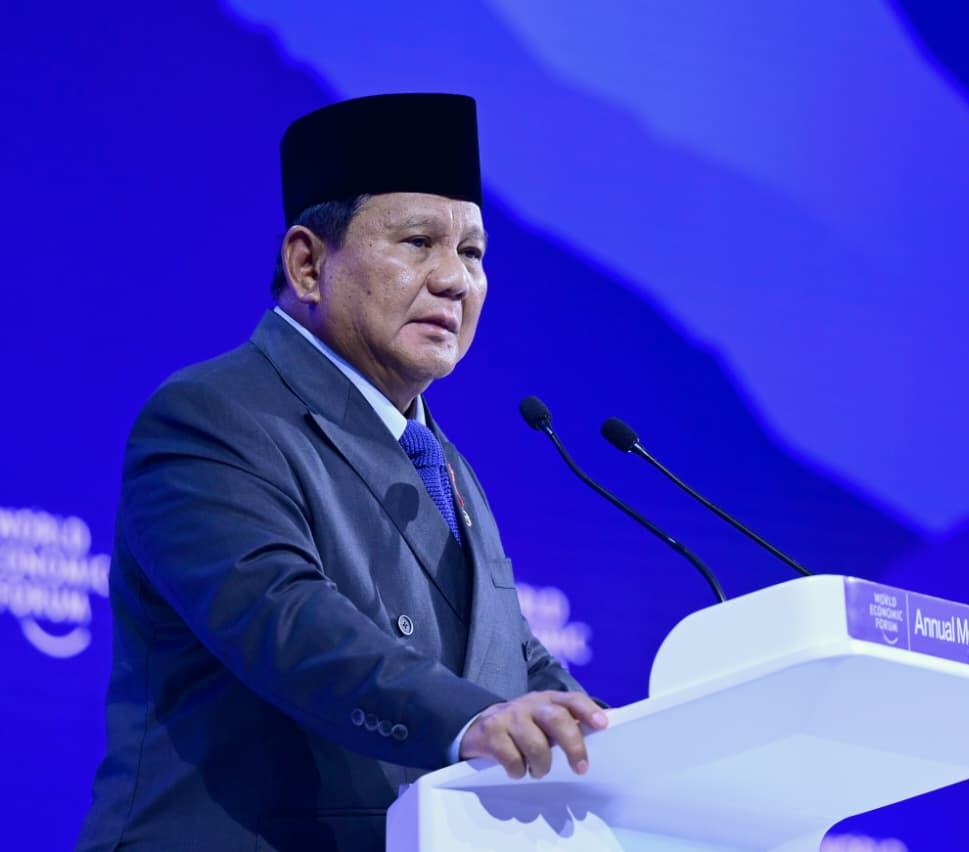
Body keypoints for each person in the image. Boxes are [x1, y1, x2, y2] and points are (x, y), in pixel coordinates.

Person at [76, 93, 606, 852]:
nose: (455, 280)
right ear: (308, 263)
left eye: (472, 253)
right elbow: (284, 618)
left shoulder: (444, 465)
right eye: (418, 242)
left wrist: (616, 750)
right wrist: (468, 719)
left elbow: (514, 658)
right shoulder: (211, 416)